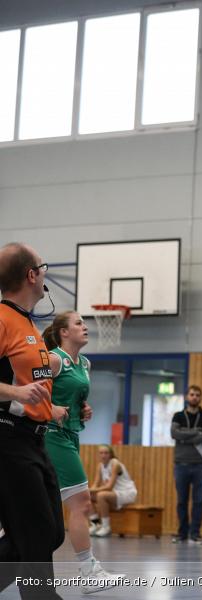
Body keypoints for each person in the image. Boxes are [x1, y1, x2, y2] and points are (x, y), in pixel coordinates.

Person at [0, 242, 66, 599]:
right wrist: (18, 396)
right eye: (42, 266)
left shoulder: (27, 324)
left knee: (51, 532)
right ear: (31, 275)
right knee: (37, 534)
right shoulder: (1, 319)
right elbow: (18, 390)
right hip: (8, 442)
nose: (45, 273)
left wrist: (47, 407)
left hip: (35, 440)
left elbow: (29, 381)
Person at [42, 312, 124, 592]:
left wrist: (82, 409)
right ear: (64, 332)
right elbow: (28, 392)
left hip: (72, 434)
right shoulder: (53, 359)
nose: (85, 326)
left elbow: (74, 397)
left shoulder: (85, 363)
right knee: (82, 504)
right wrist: (49, 410)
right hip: (52, 437)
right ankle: (89, 572)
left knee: (45, 511)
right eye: (78, 323)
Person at [171, 384, 202, 543]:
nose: (194, 397)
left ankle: (195, 534)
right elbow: (174, 433)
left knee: (199, 500)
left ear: (200, 398)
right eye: (192, 394)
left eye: (197, 395)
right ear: (187, 397)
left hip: (201, 464)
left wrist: (184, 437)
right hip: (181, 463)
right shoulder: (178, 416)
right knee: (182, 500)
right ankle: (182, 533)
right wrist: (196, 432)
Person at [88, 444, 138, 536]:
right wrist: (89, 491)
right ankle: (96, 524)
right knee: (88, 496)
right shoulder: (100, 466)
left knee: (101, 495)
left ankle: (106, 527)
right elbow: (96, 483)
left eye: (106, 453)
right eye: (101, 453)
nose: (103, 455)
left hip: (127, 492)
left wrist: (91, 490)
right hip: (115, 493)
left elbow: (109, 486)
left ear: (111, 454)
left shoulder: (115, 463)